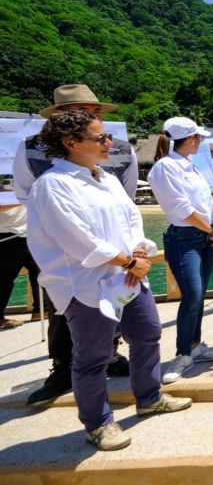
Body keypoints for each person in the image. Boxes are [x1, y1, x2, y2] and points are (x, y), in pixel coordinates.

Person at [27, 111, 190, 451]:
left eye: (106, 136)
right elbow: (77, 239)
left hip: (128, 277)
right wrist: (130, 261)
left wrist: (139, 254)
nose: (109, 143)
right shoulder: (53, 185)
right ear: (71, 143)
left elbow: (131, 220)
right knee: (93, 357)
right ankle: (98, 423)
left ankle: (149, 397)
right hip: (85, 284)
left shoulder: (107, 178)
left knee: (147, 334)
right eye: (99, 138)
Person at [13, 84, 135, 406]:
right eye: (80, 111)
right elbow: (26, 193)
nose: (89, 116)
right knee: (62, 305)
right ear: (59, 116)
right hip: (62, 242)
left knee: (116, 297)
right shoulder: (29, 148)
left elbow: (128, 194)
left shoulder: (122, 148)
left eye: (93, 111)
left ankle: (110, 354)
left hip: (114, 243)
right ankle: (63, 366)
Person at [147, 117, 213, 384]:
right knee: (192, 294)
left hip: (202, 236)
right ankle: (182, 353)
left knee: (199, 294)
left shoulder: (189, 167)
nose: (200, 141)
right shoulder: (165, 168)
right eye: (197, 137)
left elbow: (203, 203)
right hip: (185, 238)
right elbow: (181, 209)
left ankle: (194, 346)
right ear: (189, 138)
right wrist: (209, 228)